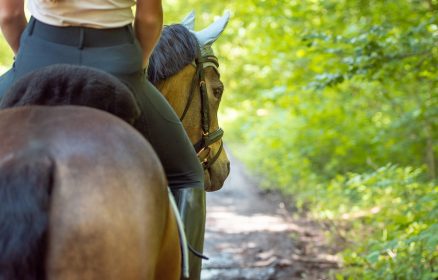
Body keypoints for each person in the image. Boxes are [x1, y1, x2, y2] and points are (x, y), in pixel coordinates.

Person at [0, 0, 206, 279]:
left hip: (38, 55)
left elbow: (9, 15)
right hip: (117, 63)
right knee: (188, 174)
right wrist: (136, 68)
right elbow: (148, 19)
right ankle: (187, 273)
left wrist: (27, 63)